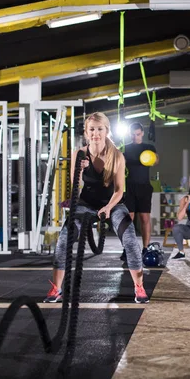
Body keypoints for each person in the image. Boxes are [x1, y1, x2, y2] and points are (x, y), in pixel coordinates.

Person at [44, 112, 149, 304]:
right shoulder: (79, 154)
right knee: (64, 240)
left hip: (113, 204)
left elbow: (119, 190)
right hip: (86, 205)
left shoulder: (117, 156)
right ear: (86, 132)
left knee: (130, 239)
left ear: (106, 131)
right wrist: (80, 170)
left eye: (100, 129)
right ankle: (56, 288)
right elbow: (75, 187)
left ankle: (139, 287)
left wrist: (109, 208)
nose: (96, 134)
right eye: (92, 129)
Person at [120, 122, 159, 262]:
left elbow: (156, 161)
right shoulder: (125, 148)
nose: (135, 137)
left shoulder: (148, 147)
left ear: (142, 133)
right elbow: (118, 164)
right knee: (128, 220)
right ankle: (127, 248)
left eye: (137, 134)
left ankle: (145, 248)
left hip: (144, 187)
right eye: (133, 134)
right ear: (129, 134)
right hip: (129, 187)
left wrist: (151, 158)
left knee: (144, 218)